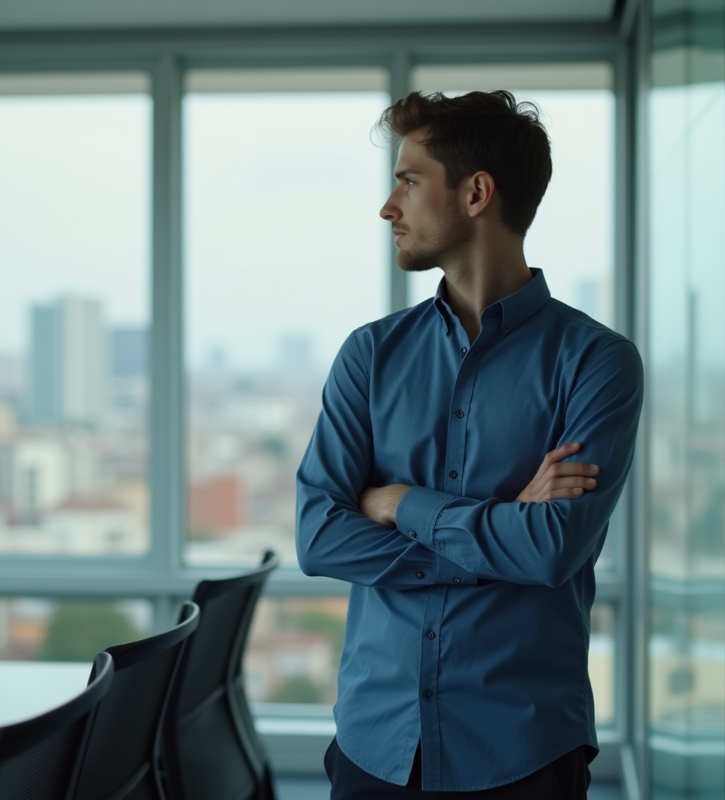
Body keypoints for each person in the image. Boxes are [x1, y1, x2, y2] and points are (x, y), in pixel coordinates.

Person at [294, 90, 644, 799]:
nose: (388, 208)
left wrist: (401, 502)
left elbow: (551, 550)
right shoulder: (371, 356)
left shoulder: (596, 363)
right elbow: (318, 538)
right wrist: (501, 527)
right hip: (375, 744)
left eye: (409, 181)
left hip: (521, 750)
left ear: (477, 192)